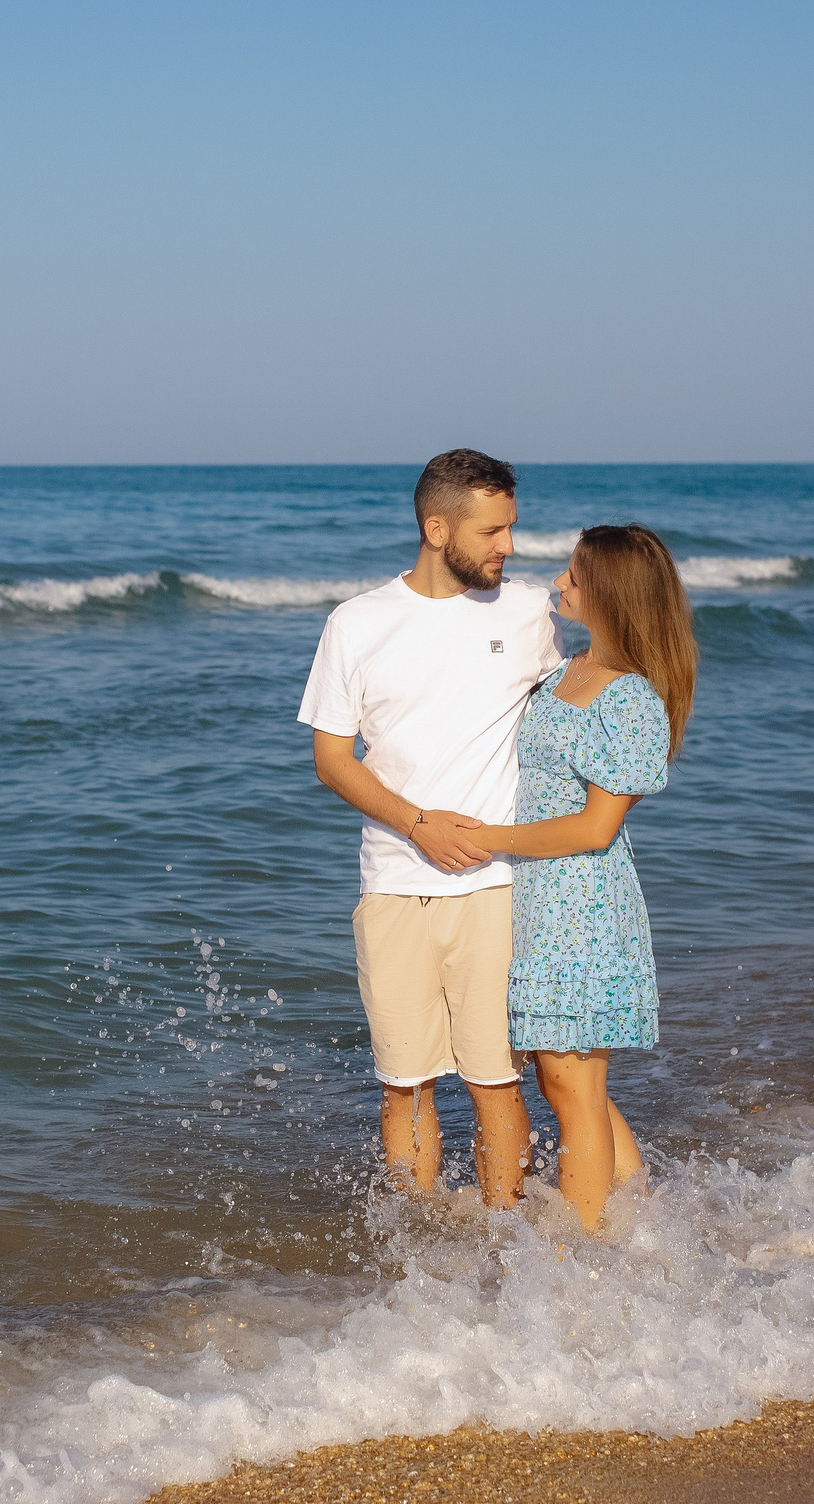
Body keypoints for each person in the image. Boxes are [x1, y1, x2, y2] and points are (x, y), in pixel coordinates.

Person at [298, 449, 563, 1207]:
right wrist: (418, 826)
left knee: (495, 1080)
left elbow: (576, 716)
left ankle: (506, 1241)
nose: (508, 546)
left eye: (510, 527)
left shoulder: (529, 612)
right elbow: (331, 761)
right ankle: (418, 1242)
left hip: (499, 887)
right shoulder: (356, 624)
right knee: (404, 1083)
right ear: (436, 528)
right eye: (491, 531)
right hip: (394, 888)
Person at [450, 524, 696, 1231]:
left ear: (611, 596)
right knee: (568, 1079)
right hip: (540, 900)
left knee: (571, 1085)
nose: (560, 583)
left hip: (584, 905)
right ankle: (638, 1217)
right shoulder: (569, 668)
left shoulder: (630, 699)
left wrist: (487, 840)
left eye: (575, 576)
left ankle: (580, 1250)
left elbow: (595, 829)